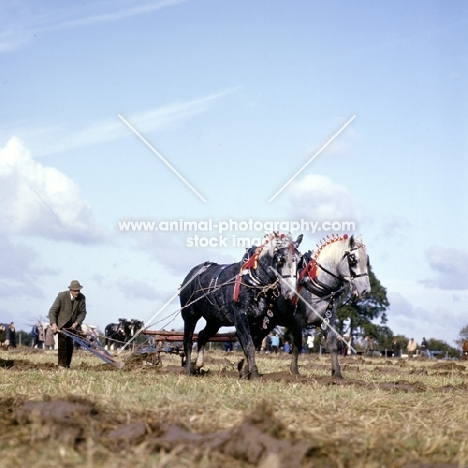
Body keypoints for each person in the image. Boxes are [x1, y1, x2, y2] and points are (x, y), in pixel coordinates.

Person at [48, 280, 87, 369]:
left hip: (73, 324)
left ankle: (67, 365)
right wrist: (53, 324)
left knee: (70, 344)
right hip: (62, 324)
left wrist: (76, 323)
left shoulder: (82, 298)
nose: (77, 292)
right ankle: (61, 365)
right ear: (70, 290)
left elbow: (83, 313)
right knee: (63, 343)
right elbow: (53, 311)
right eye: (75, 291)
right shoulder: (61, 296)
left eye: (78, 290)